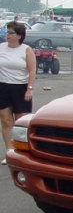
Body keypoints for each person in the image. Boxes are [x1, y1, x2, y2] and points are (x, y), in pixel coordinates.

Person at [0, 21, 36, 165]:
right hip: (3, 87)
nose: (7, 35)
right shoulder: (1, 47)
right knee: (6, 121)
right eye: (6, 32)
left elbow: (32, 70)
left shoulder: (26, 50)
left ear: (19, 36)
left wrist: (30, 88)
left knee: (21, 123)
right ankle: (9, 152)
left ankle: (23, 152)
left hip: (20, 88)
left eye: (10, 33)